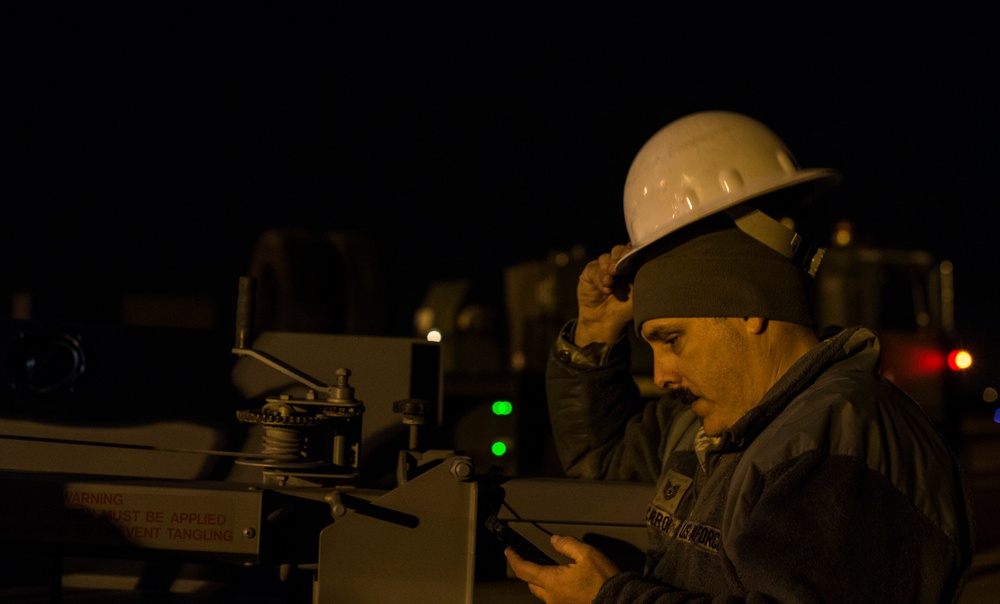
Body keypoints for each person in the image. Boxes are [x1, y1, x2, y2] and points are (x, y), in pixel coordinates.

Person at [505, 111, 974, 603]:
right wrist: (595, 337)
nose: (662, 375)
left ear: (749, 305)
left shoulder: (838, 444)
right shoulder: (711, 428)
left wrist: (614, 599)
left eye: (672, 340)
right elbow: (602, 474)